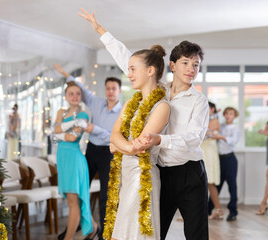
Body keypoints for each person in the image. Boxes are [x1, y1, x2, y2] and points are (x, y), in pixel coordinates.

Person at [79, 9, 209, 240]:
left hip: (189, 173)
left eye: (196, 65)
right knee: (151, 232)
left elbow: (194, 138)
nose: (191, 69)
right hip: (160, 170)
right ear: (172, 65)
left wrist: (160, 139)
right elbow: (129, 60)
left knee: (196, 235)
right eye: (186, 63)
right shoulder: (160, 91)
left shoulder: (199, 101)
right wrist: (100, 30)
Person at [108, 45, 170, 239]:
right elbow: (113, 137)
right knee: (121, 234)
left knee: (136, 234)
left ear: (150, 71)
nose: (129, 74)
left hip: (142, 177)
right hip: (125, 175)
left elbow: (140, 145)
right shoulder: (129, 103)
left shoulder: (162, 107)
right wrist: (126, 146)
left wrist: (120, 146)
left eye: (133, 69)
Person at [54, 64, 122, 240]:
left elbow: (114, 136)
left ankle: (103, 235)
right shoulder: (97, 102)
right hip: (91, 151)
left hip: (109, 153)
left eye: (114, 89)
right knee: (80, 191)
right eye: (108, 88)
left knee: (105, 195)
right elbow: (80, 90)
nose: (110, 92)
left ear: (119, 91)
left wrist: (94, 129)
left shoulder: (123, 112)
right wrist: (66, 74)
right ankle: (86, 226)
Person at [53, 82, 98, 240]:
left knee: (74, 200)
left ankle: (68, 238)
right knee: (74, 201)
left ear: (81, 96)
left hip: (74, 159)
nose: (74, 96)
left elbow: (71, 137)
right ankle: (93, 228)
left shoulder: (83, 115)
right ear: (65, 96)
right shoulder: (61, 111)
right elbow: (55, 130)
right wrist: (70, 125)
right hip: (63, 159)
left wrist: (59, 133)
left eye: (78, 93)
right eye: (71, 93)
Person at [209, 106, 240, 221]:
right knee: (217, 185)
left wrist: (220, 136)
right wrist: (215, 113)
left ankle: (233, 212)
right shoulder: (221, 126)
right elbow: (213, 130)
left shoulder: (235, 129)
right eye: (226, 113)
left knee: (232, 186)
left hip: (230, 159)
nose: (228, 116)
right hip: (219, 159)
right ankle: (209, 209)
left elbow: (233, 141)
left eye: (231, 114)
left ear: (235, 115)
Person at [201, 102, 222, 220]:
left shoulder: (214, 121)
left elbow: (206, 135)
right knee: (200, 182)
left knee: (210, 182)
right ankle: (194, 213)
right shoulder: (204, 120)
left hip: (209, 153)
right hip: (202, 152)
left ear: (213, 109)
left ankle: (218, 209)